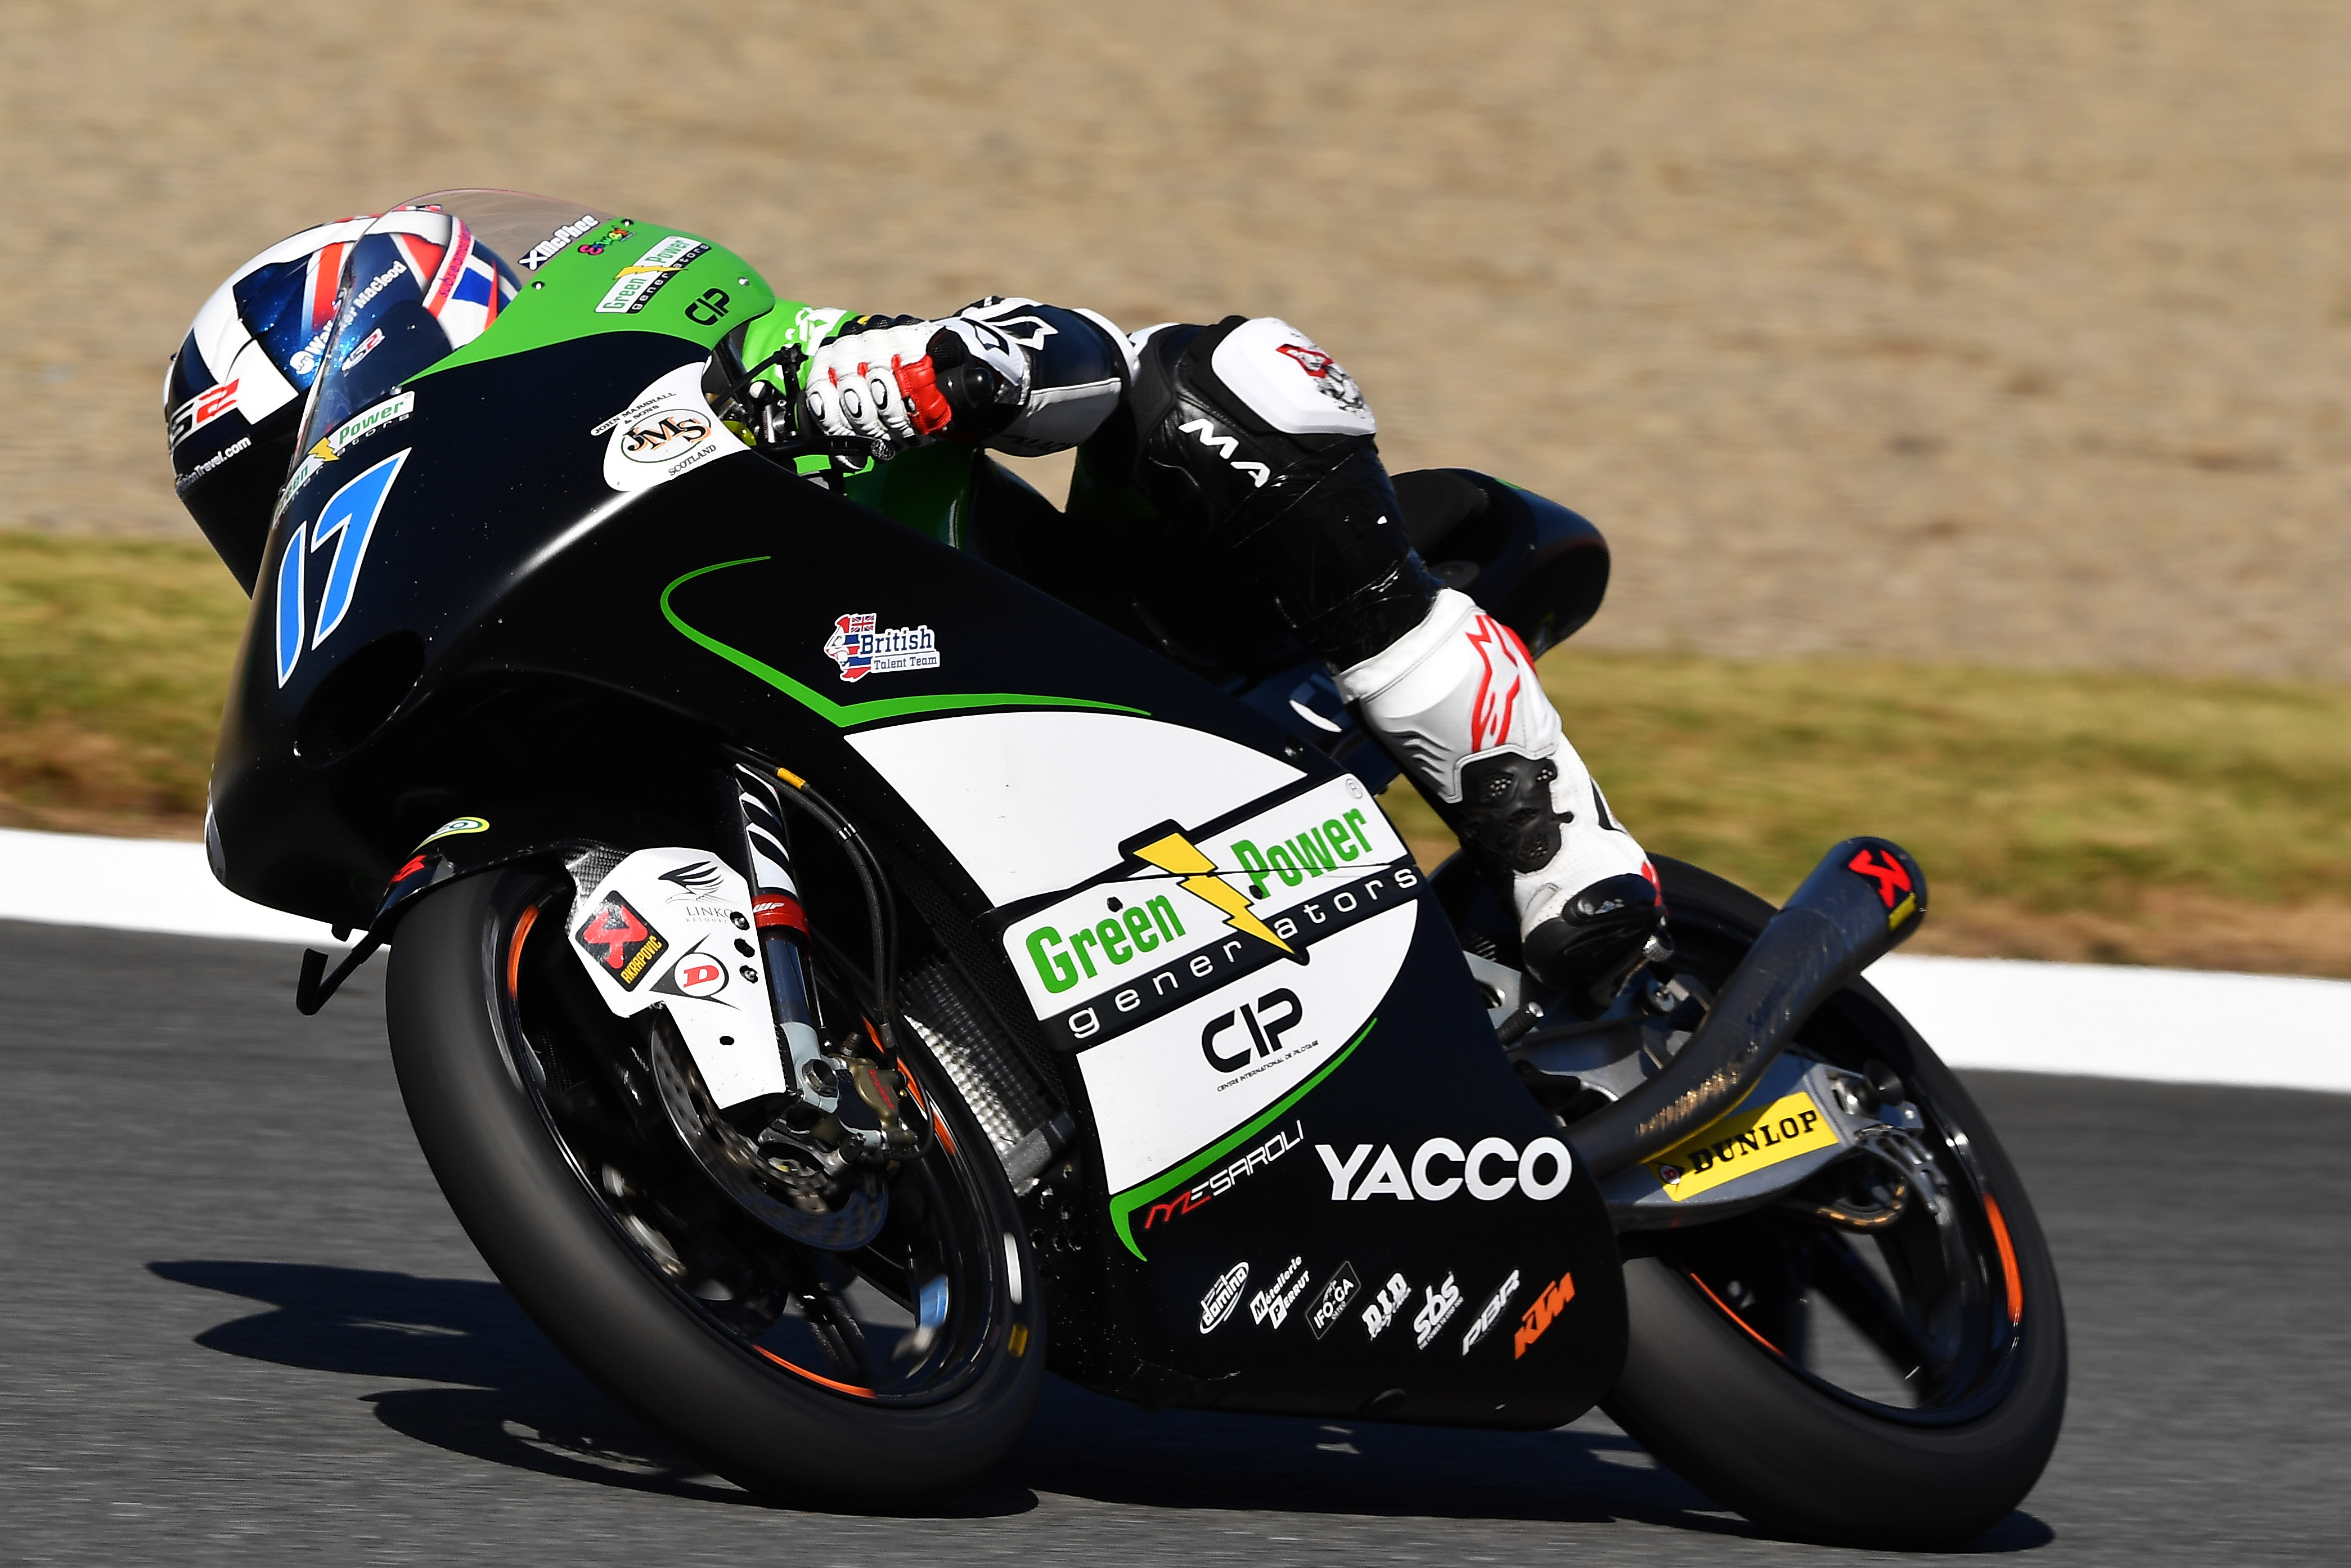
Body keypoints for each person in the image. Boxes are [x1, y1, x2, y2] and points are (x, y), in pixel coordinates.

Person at [167, 216, 1666, 992]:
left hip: (1139, 682)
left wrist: (945, 368)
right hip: (951, 849)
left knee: (1218, 381)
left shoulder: (713, 382)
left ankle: (1548, 839)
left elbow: (1067, 358)